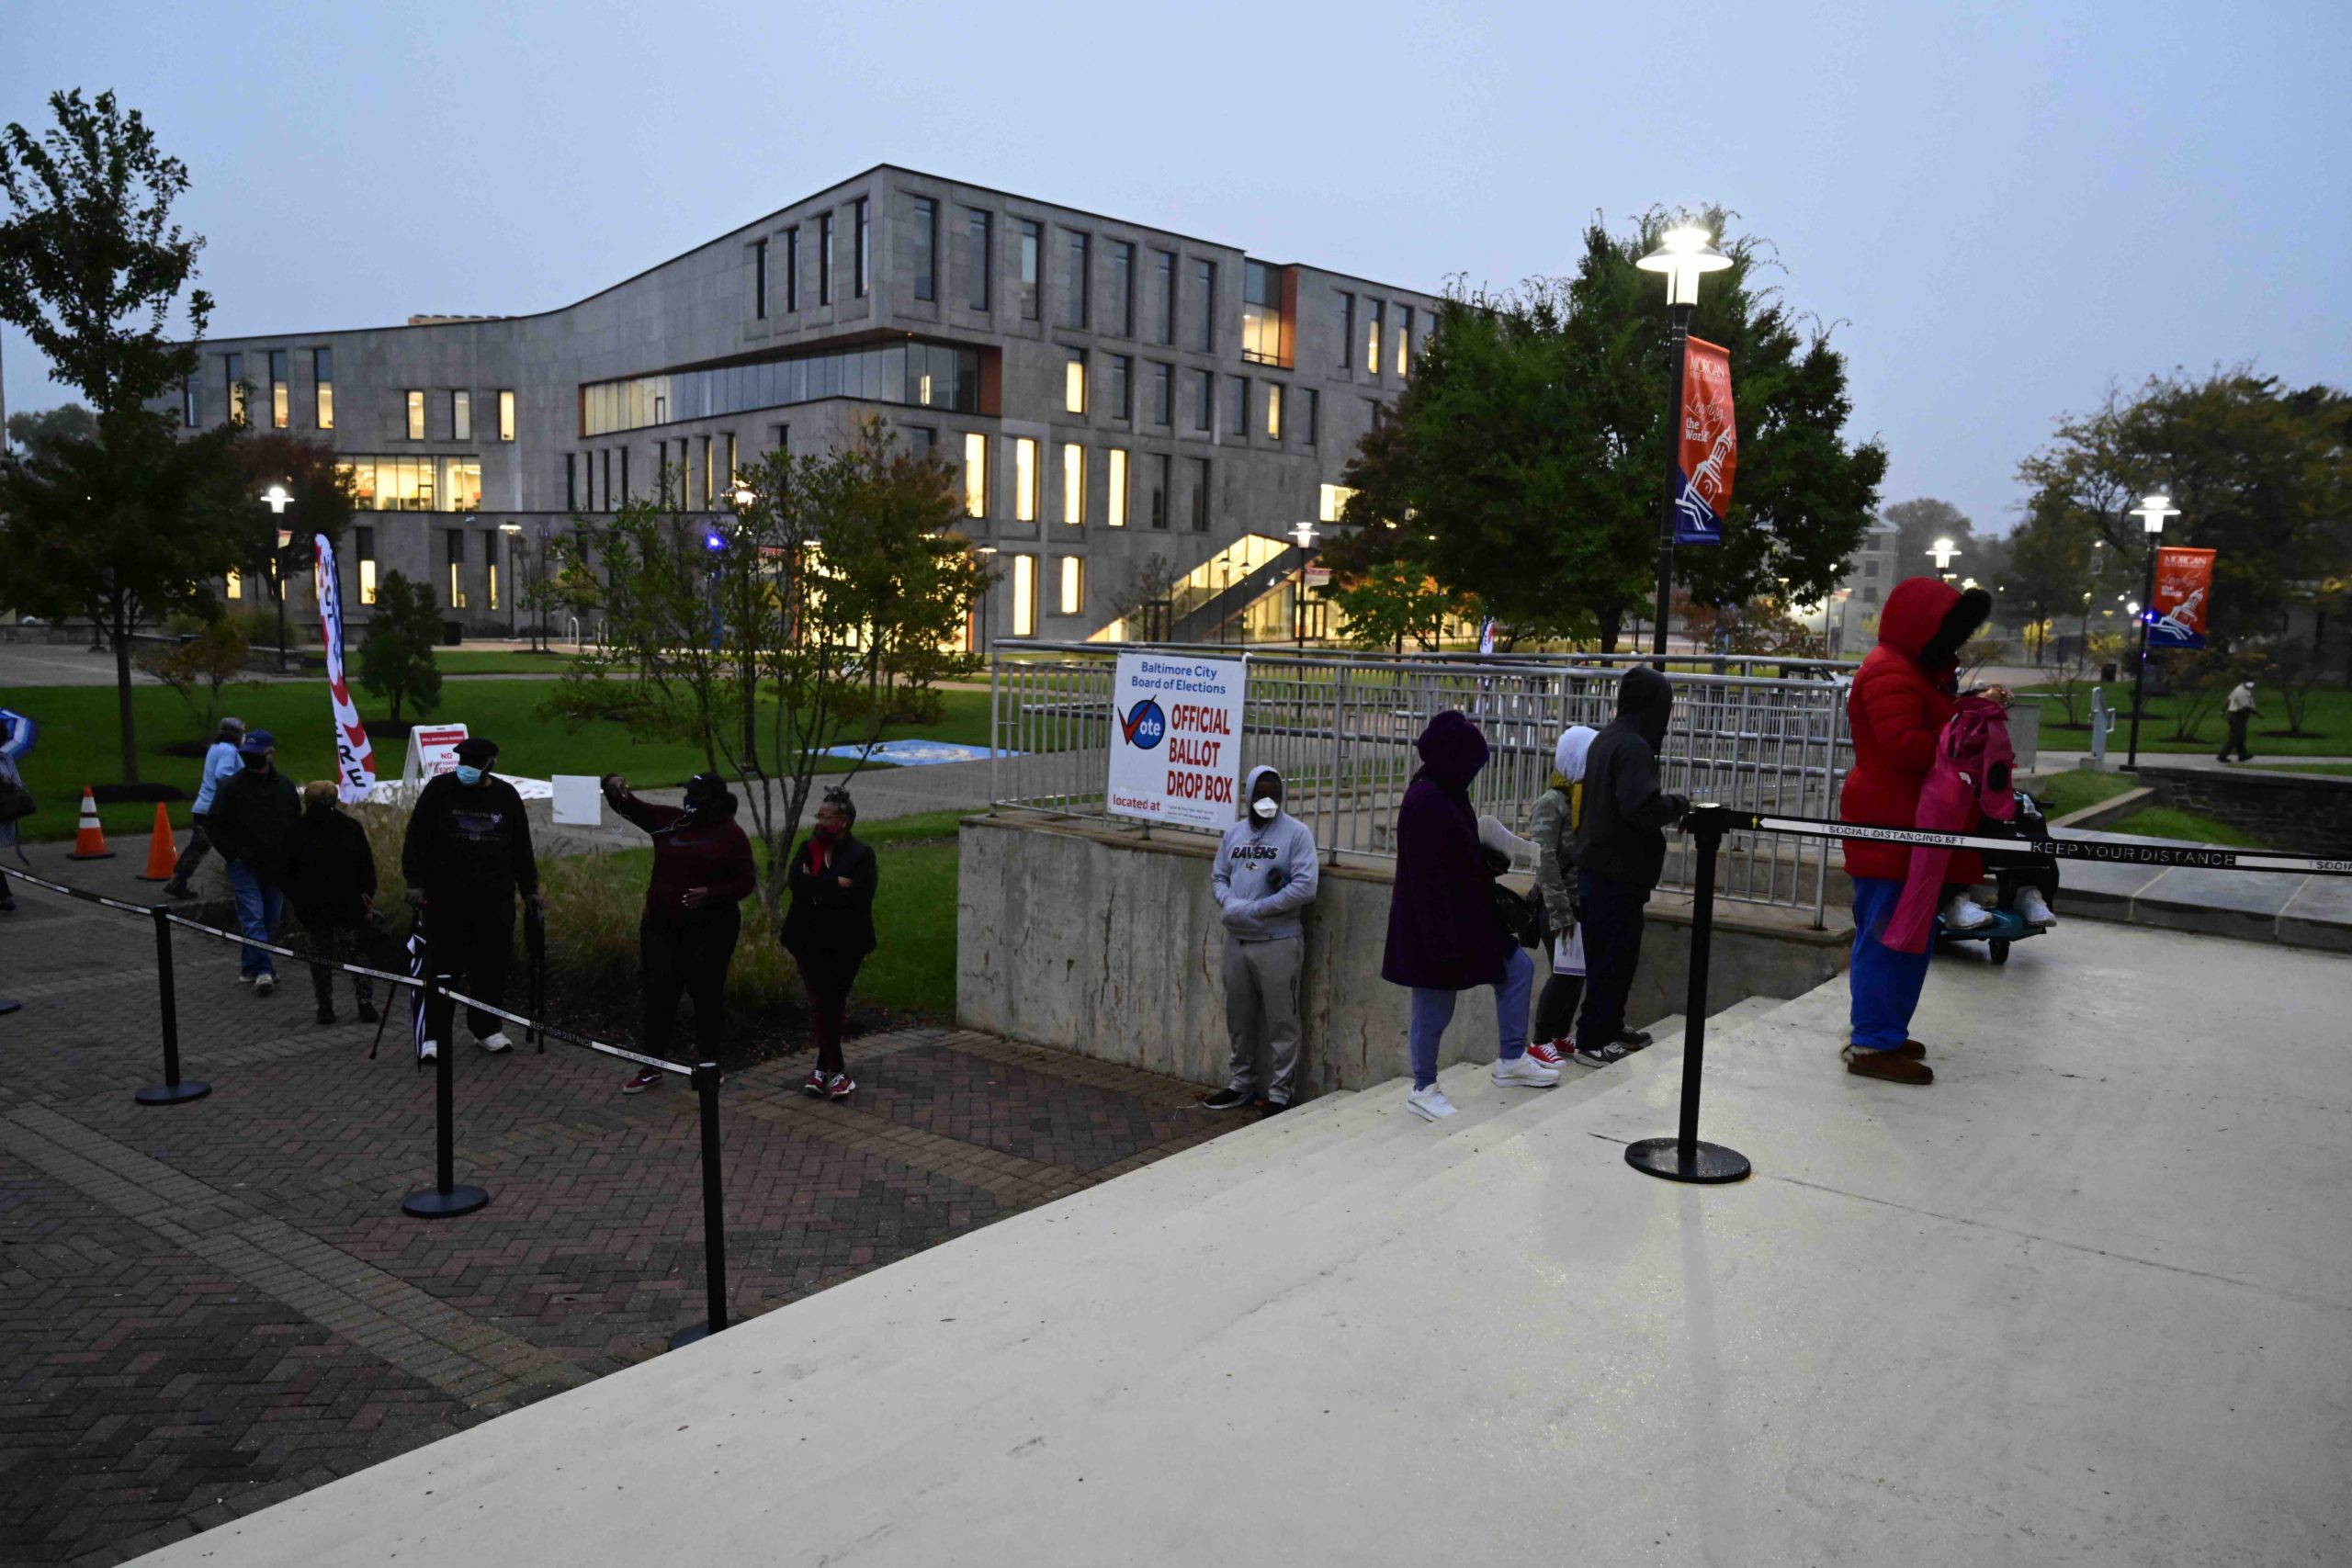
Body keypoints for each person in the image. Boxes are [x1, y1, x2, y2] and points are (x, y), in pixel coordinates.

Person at [1839, 579, 1995, 1086]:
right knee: (1887, 934)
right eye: (1947, 634)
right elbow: (1906, 746)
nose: (1952, 646)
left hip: (1909, 825)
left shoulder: (1909, 669)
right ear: (1923, 629)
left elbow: (1926, 728)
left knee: (1906, 933)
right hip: (1890, 823)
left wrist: (1971, 709)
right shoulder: (1889, 670)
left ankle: (1883, 1031)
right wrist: (1964, 727)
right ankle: (1871, 1044)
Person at [1380, 710, 1558, 1123]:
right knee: (1433, 1006)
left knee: (1517, 969)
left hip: (1468, 919)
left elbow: (1455, 856)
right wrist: (1442, 945)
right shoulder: (1427, 800)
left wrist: (1486, 863)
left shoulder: (1447, 791)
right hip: (1437, 929)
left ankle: (1511, 1059)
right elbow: (1427, 881)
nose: (1475, 773)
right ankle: (1423, 1088)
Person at [603, 772, 757, 1095]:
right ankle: (652, 1065)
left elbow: (745, 882)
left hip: (710, 931)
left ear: (712, 800)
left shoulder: (730, 835)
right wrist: (612, 785)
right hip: (661, 928)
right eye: (687, 795)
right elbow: (632, 808)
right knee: (659, 994)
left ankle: (708, 1064)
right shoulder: (670, 822)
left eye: (695, 796)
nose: (688, 801)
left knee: (706, 996)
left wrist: (712, 893)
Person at [1572, 669, 1691, 1069]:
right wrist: (1678, 805)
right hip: (1615, 871)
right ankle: (1592, 1039)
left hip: (1602, 868)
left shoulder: (1606, 737)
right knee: (1612, 958)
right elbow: (1640, 807)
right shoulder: (1634, 747)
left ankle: (1610, 1025)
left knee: (1615, 956)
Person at [401, 736, 540, 1059]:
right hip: (445, 898)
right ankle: (433, 1035)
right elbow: (416, 838)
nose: (468, 769)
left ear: (491, 764)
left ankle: (486, 1028)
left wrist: (530, 889)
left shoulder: (506, 796)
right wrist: (415, 882)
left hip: (494, 899)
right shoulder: (439, 790)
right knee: (441, 966)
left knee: (490, 967)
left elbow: (522, 846)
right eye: (464, 763)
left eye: (475, 764)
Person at [1204, 765, 1320, 1115]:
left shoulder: (1297, 834)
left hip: (1277, 941)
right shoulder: (1234, 835)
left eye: (1274, 795)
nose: (1267, 801)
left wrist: (1259, 910)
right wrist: (1231, 903)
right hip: (1237, 942)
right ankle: (1241, 1083)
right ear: (1249, 795)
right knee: (1238, 1017)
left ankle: (1280, 1093)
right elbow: (1218, 876)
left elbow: (1305, 887)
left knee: (1282, 1020)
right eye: (1260, 794)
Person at [781, 786, 877, 1101]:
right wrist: (836, 882)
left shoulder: (862, 854)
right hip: (807, 938)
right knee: (820, 1001)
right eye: (819, 815)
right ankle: (834, 1071)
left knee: (831, 1001)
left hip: (846, 941)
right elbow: (796, 881)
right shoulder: (807, 847)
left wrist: (818, 884)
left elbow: (861, 895)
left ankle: (826, 1070)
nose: (820, 821)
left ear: (844, 821)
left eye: (827, 816)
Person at [208, 728, 301, 997]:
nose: (250, 759)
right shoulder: (231, 787)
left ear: (270, 754)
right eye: (247, 755)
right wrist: (232, 854)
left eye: (255, 755)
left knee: (270, 919)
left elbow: (294, 822)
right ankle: (263, 970)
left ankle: (250, 967)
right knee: (253, 918)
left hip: (275, 865)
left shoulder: (285, 786)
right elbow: (214, 823)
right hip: (243, 864)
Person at [1525, 725, 1598, 1066]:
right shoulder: (1552, 802)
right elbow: (1544, 859)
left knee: (1577, 973)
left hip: (1578, 902)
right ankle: (1540, 1040)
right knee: (1565, 974)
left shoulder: (1582, 800)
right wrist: (1560, 911)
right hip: (1558, 906)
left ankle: (1559, 1033)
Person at [283, 780, 380, 1025]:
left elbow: (366, 866)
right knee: (320, 956)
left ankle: (364, 1001)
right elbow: (286, 871)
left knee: (356, 953)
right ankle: (325, 1004)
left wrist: (367, 894)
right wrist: (298, 898)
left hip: (347, 904)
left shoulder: (349, 828)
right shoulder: (297, 831)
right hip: (314, 906)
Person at [162, 716, 245, 900]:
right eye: (242, 733)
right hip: (216, 810)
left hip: (202, 807)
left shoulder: (215, 748)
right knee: (235, 846)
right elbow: (223, 775)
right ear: (236, 735)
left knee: (198, 848)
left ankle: (177, 882)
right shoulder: (229, 751)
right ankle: (240, 884)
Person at [0, 707, 34, 914]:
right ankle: (5, 896)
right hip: (6, 815)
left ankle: (5, 896)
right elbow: (18, 783)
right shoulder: (7, 758)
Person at [2219, 679, 2258, 763]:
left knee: (2241, 736)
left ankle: (2243, 755)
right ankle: (2222, 755)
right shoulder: (2240, 692)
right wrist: (2257, 714)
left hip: (2240, 716)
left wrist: (2223, 710)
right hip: (2238, 715)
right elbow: (2246, 707)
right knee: (2235, 737)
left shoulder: (2242, 688)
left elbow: (2229, 700)